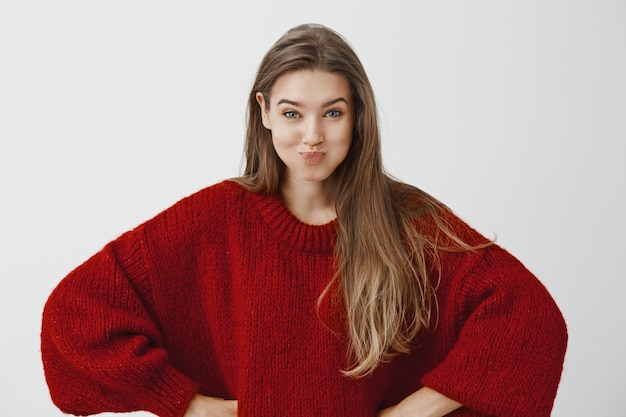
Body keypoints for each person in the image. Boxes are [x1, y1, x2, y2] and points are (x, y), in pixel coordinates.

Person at [41, 23, 567, 417]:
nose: (312, 134)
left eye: (332, 112)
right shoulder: (212, 219)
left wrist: (411, 412)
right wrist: (186, 403)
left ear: (358, 115)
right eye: (293, 112)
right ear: (264, 111)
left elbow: (531, 321)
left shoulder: (409, 222)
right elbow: (74, 314)